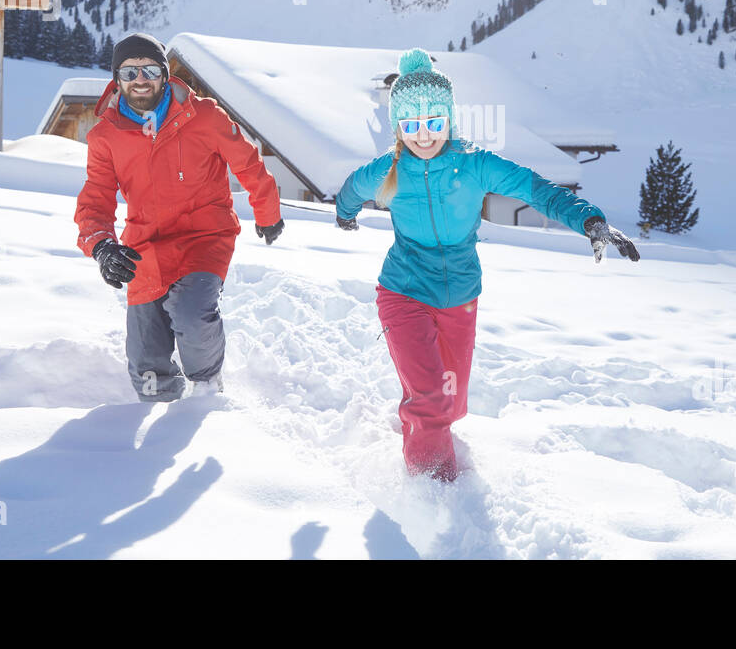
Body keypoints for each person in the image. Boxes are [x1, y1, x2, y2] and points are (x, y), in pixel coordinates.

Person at [335, 48, 639, 481]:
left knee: (452, 401)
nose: (424, 136)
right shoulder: (389, 169)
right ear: (400, 127)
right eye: (413, 125)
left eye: (435, 123)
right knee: (431, 399)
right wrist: (344, 213)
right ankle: (432, 493)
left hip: (459, 294)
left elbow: (538, 190)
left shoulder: (474, 164)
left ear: (449, 121)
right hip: (402, 291)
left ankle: (424, 422)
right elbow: (350, 188)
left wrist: (588, 219)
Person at [74, 33, 284, 402]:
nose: (141, 79)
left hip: (205, 237)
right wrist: (102, 246)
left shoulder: (203, 116)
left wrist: (267, 213)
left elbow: (247, 162)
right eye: (130, 71)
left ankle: (206, 389)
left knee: (190, 312)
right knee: (146, 357)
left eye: (150, 69)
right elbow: (96, 197)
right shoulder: (105, 137)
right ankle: (158, 409)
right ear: (116, 78)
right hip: (145, 246)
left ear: (165, 74)